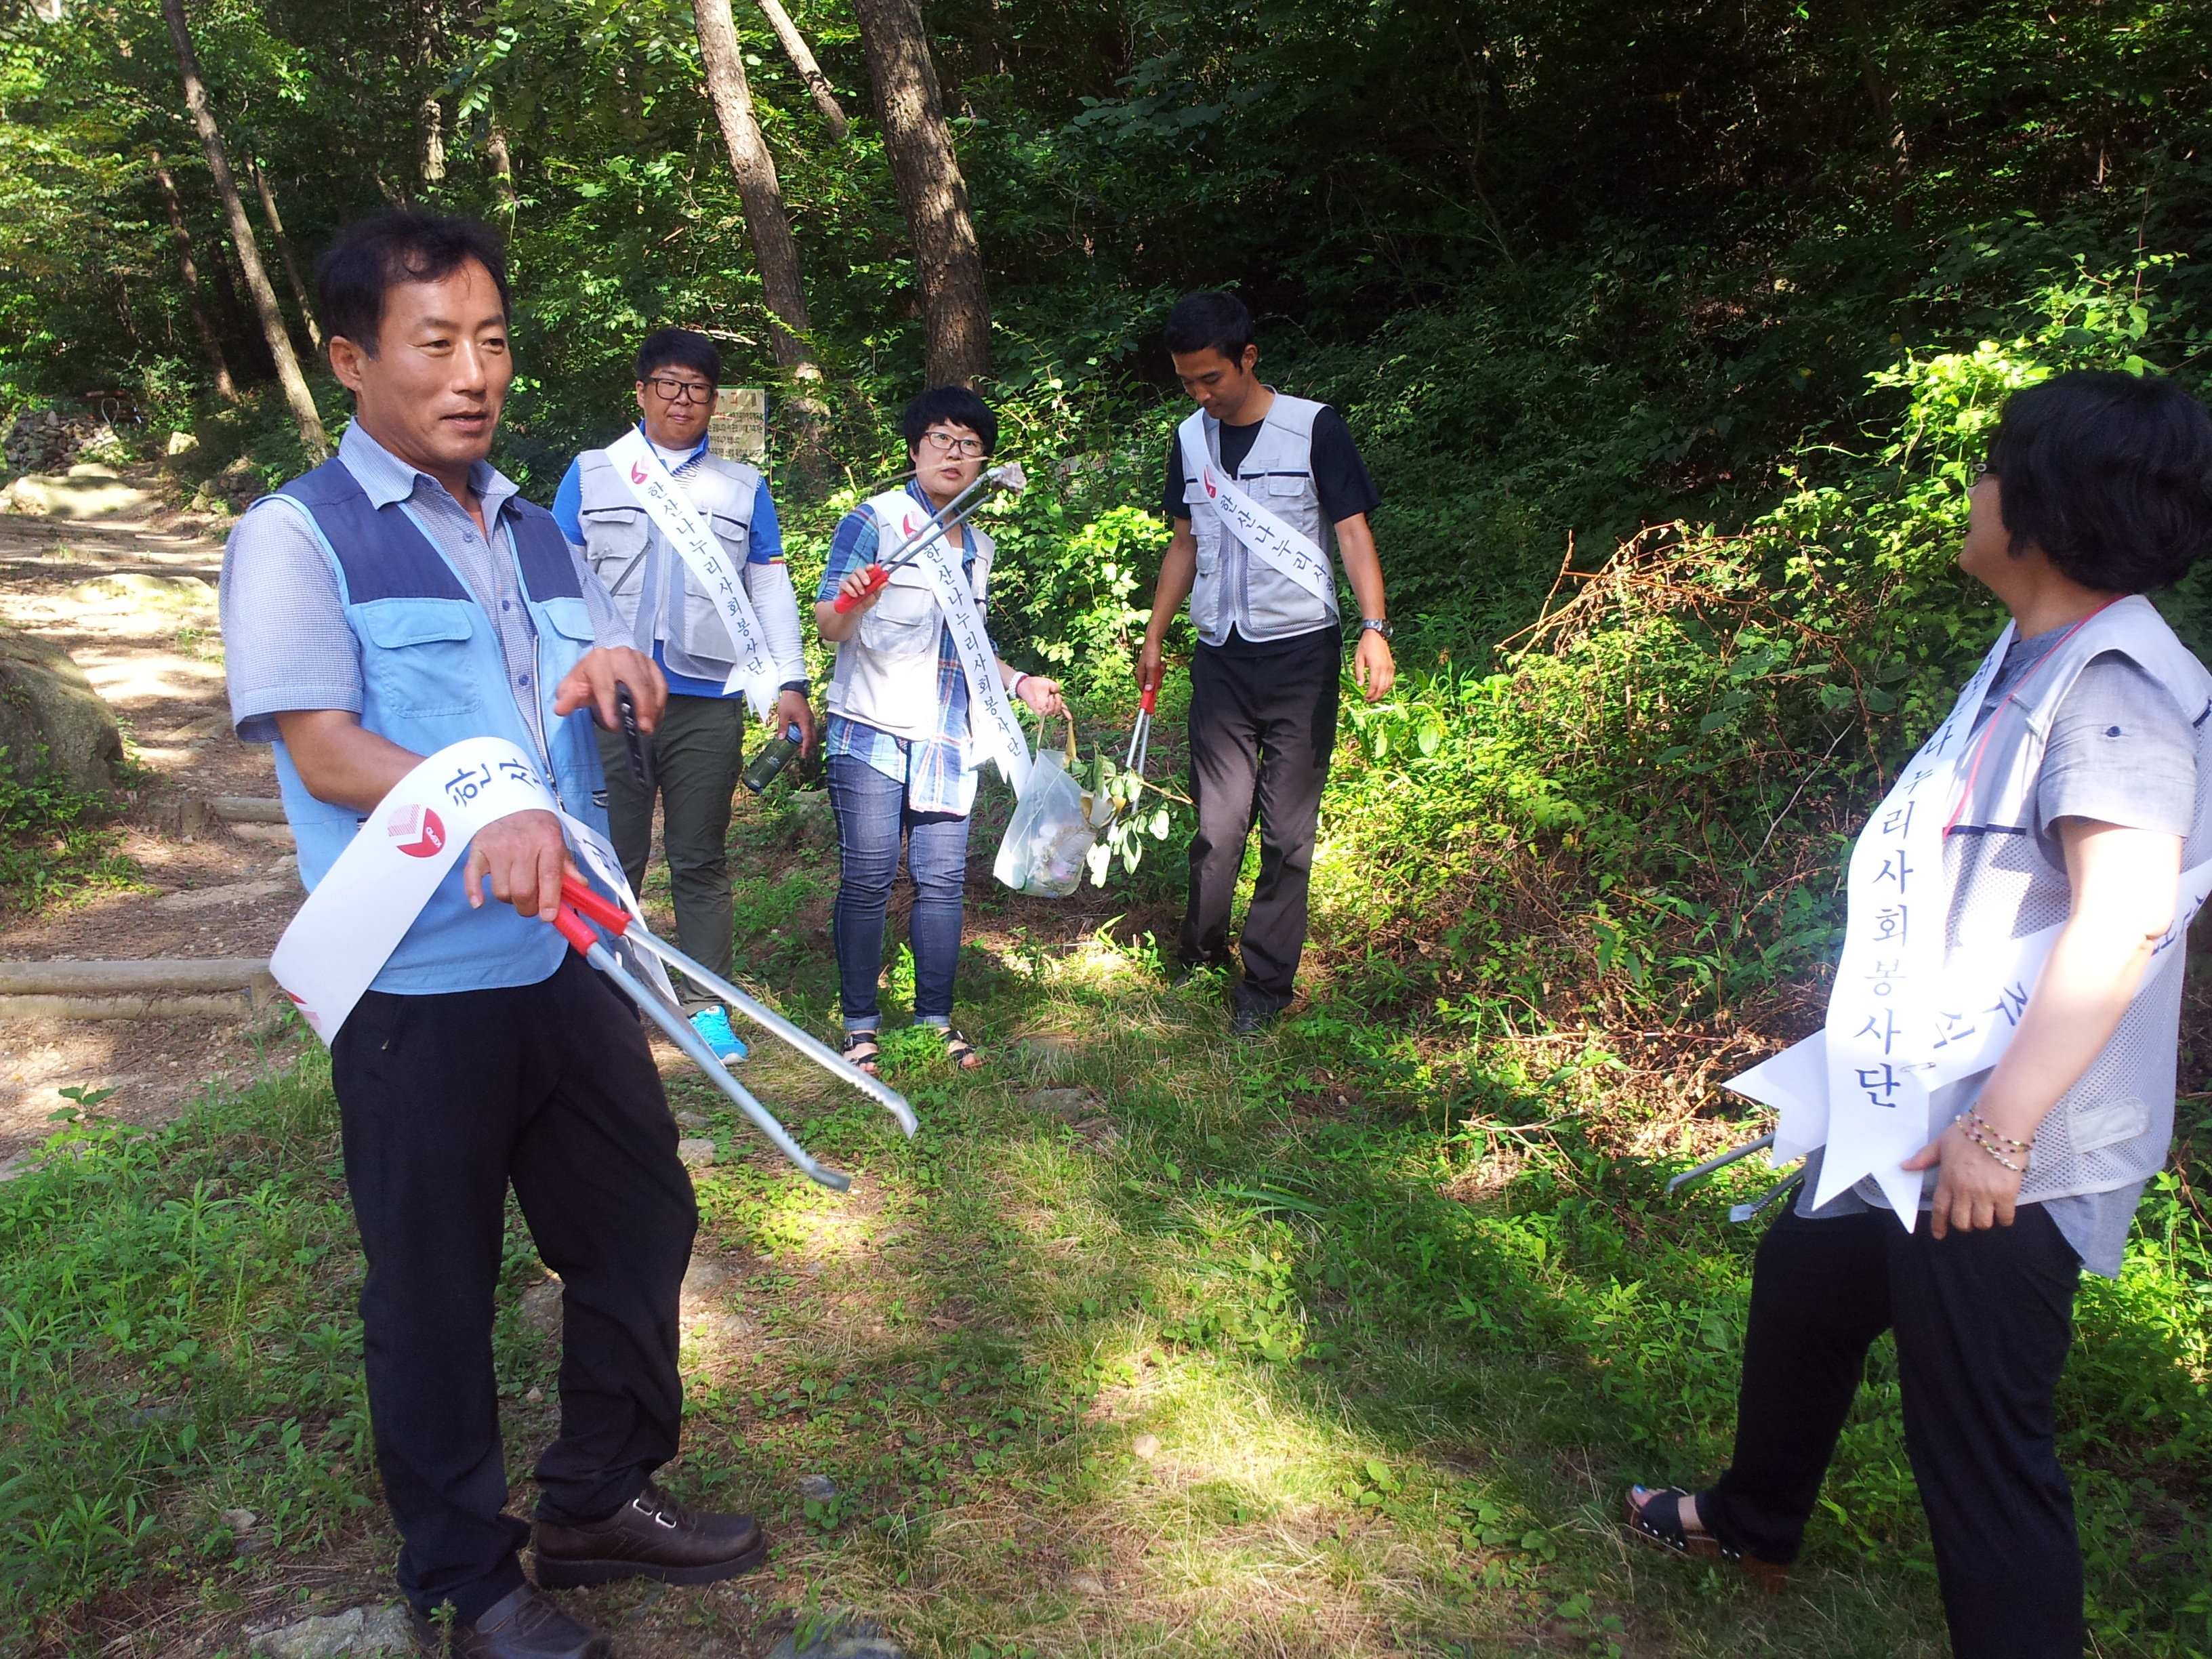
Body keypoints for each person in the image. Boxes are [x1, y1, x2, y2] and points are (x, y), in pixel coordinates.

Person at [220, 209, 769, 1659]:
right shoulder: (295, 537)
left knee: (640, 1217)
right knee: (435, 1283)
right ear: (351, 360)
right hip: (417, 980)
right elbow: (327, 745)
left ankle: (597, 1497)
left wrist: (600, 662)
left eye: (495, 341)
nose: (475, 373)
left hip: (565, 954)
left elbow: (554, 680)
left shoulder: (532, 521)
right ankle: (465, 1576)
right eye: (436, 344)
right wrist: (478, 812)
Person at [1624, 371, 2212, 1658]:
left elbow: (2120, 917)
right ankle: (1752, 1519)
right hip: (1910, 1106)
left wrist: (1996, 1134)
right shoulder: (2034, 652)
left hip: (1999, 1151)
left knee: (1981, 1448)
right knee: (1806, 1272)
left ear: (2041, 507)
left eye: (1991, 466)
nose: (1973, 488)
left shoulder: (2114, 694)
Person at [1136, 290, 1396, 1037]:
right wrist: (1157, 634)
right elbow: (1184, 540)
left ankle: (1266, 986)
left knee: (1287, 832)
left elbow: (1351, 532)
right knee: (1218, 826)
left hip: (1300, 656)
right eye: (1187, 381)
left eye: (1211, 378)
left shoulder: (1313, 428)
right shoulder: (1190, 438)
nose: (1200, 394)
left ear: (1249, 358)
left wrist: (1373, 628)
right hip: (1220, 654)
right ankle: (1201, 955)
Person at [550, 328, 813, 1061]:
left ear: (714, 400)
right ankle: (605, 1006)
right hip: (611, 699)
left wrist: (787, 681)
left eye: (695, 387)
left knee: (700, 857)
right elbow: (555, 585)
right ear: (640, 391)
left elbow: (770, 585)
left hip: (707, 698)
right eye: (666, 383)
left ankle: (707, 1007)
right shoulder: (594, 472)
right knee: (611, 856)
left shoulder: (742, 486)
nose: (681, 398)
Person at [814, 386, 1063, 1074]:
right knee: (867, 877)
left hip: (949, 732)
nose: (955, 454)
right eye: (941, 440)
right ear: (915, 449)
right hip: (871, 725)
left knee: (943, 880)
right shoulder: (874, 521)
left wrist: (1020, 683)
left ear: (985, 458)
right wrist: (854, 601)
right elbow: (829, 626)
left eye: (969, 443)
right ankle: (860, 1025)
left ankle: (934, 1020)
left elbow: (972, 643)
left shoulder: (978, 545)